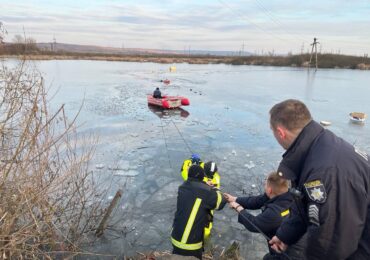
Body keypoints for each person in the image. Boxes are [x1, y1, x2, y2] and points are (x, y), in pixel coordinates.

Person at [268, 99, 370, 260]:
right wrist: (285, 235)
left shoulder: (325, 172)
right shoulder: (319, 144)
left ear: (280, 132)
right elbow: (304, 205)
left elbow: (331, 244)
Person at [225, 171, 305, 260]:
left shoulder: (274, 213)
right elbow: (257, 201)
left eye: (265, 184)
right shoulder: (289, 195)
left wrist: (238, 208)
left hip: (290, 254)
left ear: (269, 190)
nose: (265, 186)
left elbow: (253, 224)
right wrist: (235, 199)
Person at [171, 164, 227, 259]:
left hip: (175, 238)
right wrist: (215, 189)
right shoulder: (206, 192)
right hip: (191, 244)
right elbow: (220, 202)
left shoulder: (182, 187)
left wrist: (205, 185)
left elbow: (196, 189)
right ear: (202, 177)